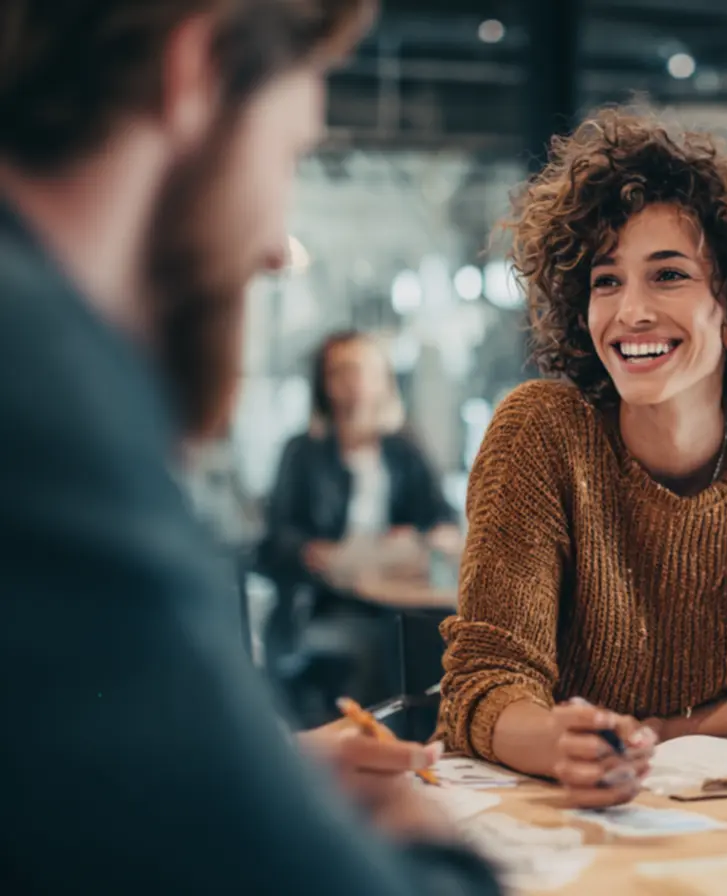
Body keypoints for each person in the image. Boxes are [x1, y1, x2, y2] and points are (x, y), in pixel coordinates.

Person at [0, 2, 497, 893]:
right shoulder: (41, 396)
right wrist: (427, 838)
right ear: (196, 74)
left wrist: (260, 775)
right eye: (290, 154)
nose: (276, 248)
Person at [435, 109, 727, 808]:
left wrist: (671, 734)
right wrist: (564, 745)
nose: (630, 312)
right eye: (606, 281)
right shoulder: (540, 431)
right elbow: (485, 682)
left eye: (668, 275)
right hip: (569, 813)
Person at [259, 330, 460, 713]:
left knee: (442, 639)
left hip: (395, 599)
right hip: (325, 605)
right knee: (377, 648)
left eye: (363, 370)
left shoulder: (404, 449)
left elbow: (441, 518)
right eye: (341, 371)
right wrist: (316, 553)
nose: (353, 383)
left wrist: (425, 537)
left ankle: (429, 740)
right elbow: (275, 540)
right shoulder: (303, 452)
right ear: (324, 383)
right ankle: (372, 742)